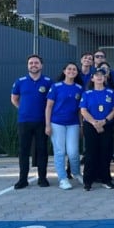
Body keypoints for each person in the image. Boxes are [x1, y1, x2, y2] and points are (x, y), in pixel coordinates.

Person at [11, 54, 52, 189]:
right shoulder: (20, 81)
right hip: (24, 121)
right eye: (31, 63)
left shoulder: (48, 82)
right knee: (23, 151)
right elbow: (14, 99)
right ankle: (23, 179)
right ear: (28, 66)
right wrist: (23, 109)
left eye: (36, 63)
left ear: (41, 65)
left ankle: (42, 178)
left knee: (42, 150)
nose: (33, 65)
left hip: (42, 121)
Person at [45, 62, 83, 190]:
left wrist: (81, 125)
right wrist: (47, 125)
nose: (72, 71)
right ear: (64, 71)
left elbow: (80, 110)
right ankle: (62, 179)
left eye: (74, 69)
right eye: (69, 69)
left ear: (77, 73)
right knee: (60, 151)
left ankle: (76, 173)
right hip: (57, 123)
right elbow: (49, 106)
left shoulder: (79, 88)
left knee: (73, 152)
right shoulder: (56, 87)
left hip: (73, 123)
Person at [79, 67, 114, 191]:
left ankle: (106, 179)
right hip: (91, 126)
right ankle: (87, 181)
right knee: (90, 154)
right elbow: (83, 111)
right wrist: (94, 123)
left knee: (105, 153)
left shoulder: (111, 92)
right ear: (92, 78)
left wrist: (104, 121)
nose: (99, 77)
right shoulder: (87, 93)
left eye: (102, 75)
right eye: (96, 75)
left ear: (105, 78)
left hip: (106, 125)